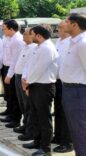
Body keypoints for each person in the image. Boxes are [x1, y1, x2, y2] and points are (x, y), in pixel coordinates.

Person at [22, 25, 58, 156]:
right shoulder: (38, 47)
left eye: (32, 34)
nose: (30, 37)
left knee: (44, 118)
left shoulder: (48, 48)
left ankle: (46, 148)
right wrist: (25, 79)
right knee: (35, 115)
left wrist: (27, 82)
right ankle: (37, 141)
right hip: (34, 84)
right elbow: (29, 64)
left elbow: (39, 69)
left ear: (38, 36)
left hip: (44, 86)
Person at [59, 13, 86, 156]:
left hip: (78, 91)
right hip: (69, 89)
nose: (64, 24)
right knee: (75, 128)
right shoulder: (73, 41)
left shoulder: (82, 43)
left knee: (80, 128)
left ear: (75, 25)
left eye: (67, 21)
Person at [0, 20, 24, 129]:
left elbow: (15, 60)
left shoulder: (17, 40)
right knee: (9, 94)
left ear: (11, 29)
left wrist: (9, 75)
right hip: (6, 67)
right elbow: (3, 54)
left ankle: (15, 119)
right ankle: (10, 113)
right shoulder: (8, 38)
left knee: (14, 96)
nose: (3, 31)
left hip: (12, 70)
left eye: (4, 28)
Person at [52, 21, 73, 153]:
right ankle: (58, 135)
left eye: (60, 28)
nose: (57, 30)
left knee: (66, 114)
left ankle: (68, 142)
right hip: (57, 80)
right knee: (58, 110)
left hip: (68, 82)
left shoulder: (72, 42)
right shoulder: (58, 41)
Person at [14, 28, 36, 141]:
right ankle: (25, 124)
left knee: (28, 105)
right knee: (22, 104)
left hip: (25, 79)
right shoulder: (25, 46)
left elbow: (30, 66)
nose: (23, 36)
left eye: (26, 34)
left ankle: (30, 130)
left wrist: (26, 80)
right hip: (18, 77)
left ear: (32, 36)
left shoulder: (33, 48)